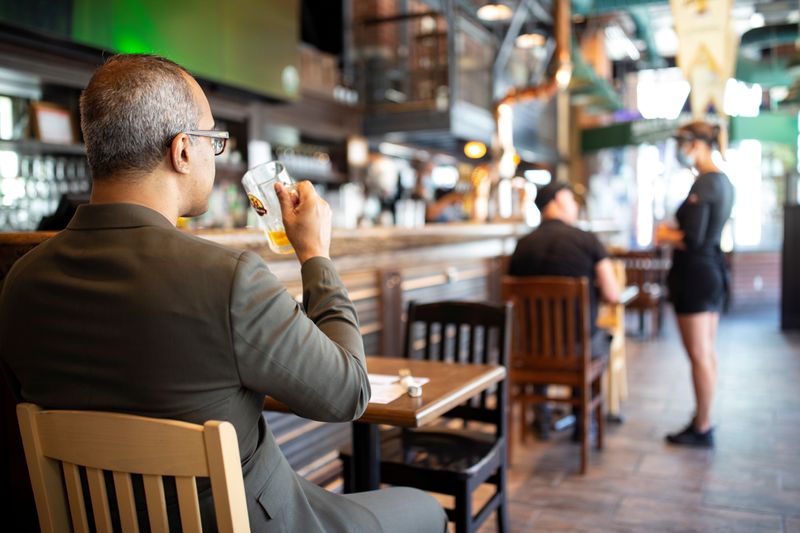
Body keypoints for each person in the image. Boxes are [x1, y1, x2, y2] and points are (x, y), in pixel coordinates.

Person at [0, 54, 446, 533]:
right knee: (425, 509)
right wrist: (315, 254)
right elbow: (348, 393)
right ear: (183, 151)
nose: (215, 155)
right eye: (214, 141)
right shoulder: (227, 279)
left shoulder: (20, 284)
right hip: (254, 522)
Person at [508, 181, 620, 438]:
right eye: (571, 200)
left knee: (543, 336)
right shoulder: (587, 240)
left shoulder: (522, 246)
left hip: (531, 350)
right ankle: (583, 421)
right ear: (557, 201)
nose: (576, 206)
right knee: (598, 337)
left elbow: (512, 298)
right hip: (577, 351)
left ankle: (543, 418)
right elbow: (612, 294)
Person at [656, 121, 734, 448]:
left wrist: (664, 234)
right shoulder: (723, 182)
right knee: (706, 354)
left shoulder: (706, 183)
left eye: (683, 142)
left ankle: (702, 426)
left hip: (696, 275)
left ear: (697, 143)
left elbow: (694, 239)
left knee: (699, 354)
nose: (681, 149)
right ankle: (703, 418)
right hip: (711, 273)